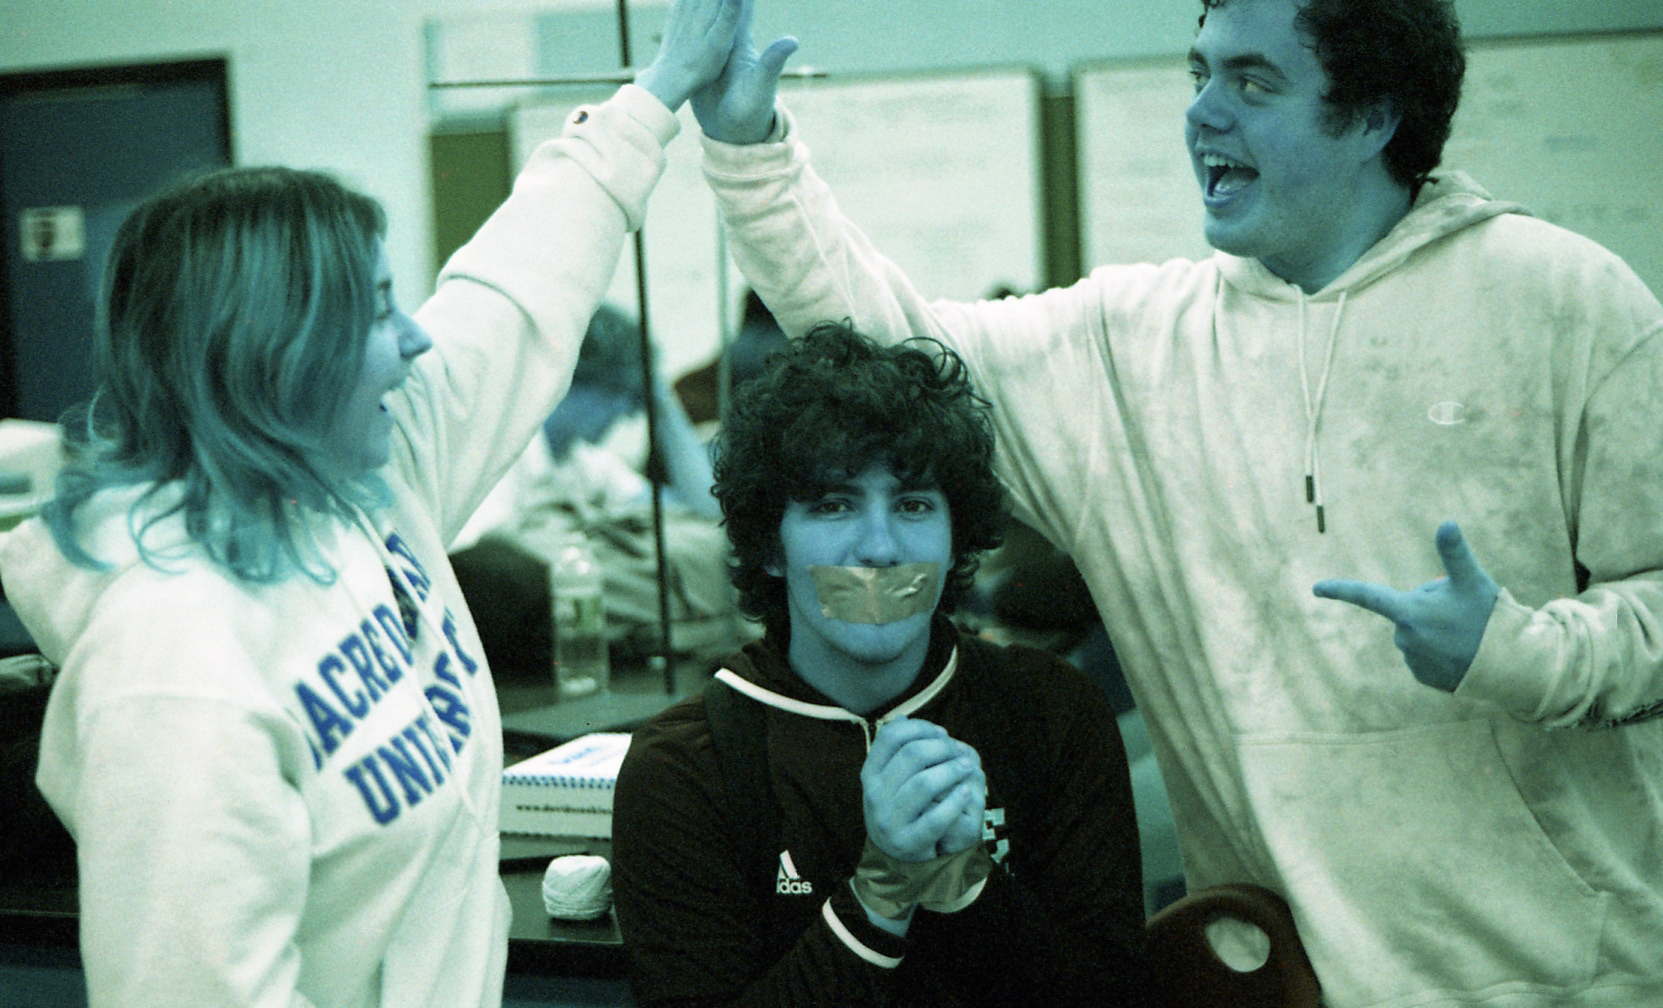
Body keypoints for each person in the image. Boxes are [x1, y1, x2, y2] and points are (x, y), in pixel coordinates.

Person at [685, 1, 1663, 1005]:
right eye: (1200, 74)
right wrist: (749, 154)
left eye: (1253, 82)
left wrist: (1521, 654)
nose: (1202, 113)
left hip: (1568, 977)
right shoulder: (1131, 348)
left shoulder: (1565, 302)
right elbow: (898, 352)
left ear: (1372, 116)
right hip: (1278, 980)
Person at [0, 2, 751, 1005]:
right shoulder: (174, 669)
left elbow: (509, 296)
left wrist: (656, 94)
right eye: (378, 308)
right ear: (282, 355)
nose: (416, 338)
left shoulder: (360, 488)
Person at [611, 322, 1149, 1007]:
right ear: (770, 546)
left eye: (913, 504)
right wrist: (882, 890)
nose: (880, 548)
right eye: (833, 505)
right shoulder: (686, 766)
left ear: (955, 537)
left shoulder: (1050, 712)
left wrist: (962, 880)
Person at [450, 302, 747, 676]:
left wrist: (663, 402)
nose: (628, 413)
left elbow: (709, 512)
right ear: (568, 380)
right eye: (619, 392)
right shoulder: (497, 454)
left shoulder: (585, 463)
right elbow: (477, 573)